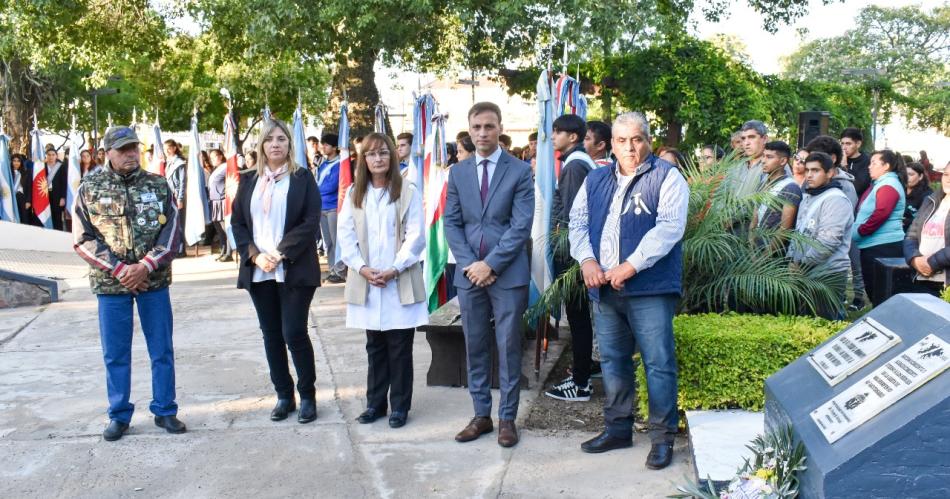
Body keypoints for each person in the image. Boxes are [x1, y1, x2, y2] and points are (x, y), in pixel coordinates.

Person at [567, 111, 689, 470]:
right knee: (614, 362)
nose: (630, 147)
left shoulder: (667, 177)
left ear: (648, 139)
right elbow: (577, 223)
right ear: (612, 143)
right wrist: (587, 261)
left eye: (636, 139)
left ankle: (662, 438)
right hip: (604, 289)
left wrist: (630, 265)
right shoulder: (596, 178)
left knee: (658, 363)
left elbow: (669, 228)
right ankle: (618, 429)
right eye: (622, 140)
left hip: (649, 288)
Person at [72, 126, 186, 441]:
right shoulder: (89, 188)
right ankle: (119, 415)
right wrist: (121, 270)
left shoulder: (159, 185)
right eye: (122, 149)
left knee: (161, 349)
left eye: (134, 147)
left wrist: (146, 266)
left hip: (154, 281)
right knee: (115, 353)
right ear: (107, 152)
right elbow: (82, 239)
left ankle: (165, 410)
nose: (130, 154)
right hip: (111, 286)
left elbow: (173, 232)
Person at [444, 102, 534, 448]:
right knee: (475, 344)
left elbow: (520, 225)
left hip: (507, 274)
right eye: (476, 127)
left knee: (509, 346)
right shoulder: (458, 173)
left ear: (499, 128)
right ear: (469, 130)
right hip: (470, 275)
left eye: (489, 126)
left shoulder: (519, 171)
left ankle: (507, 418)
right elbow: (452, 223)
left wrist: (491, 264)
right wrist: (471, 264)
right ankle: (481, 415)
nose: (482, 133)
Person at [231, 119, 322, 424]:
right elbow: (238, 224)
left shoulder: (302, 178)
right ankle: (284, 395)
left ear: (289, 144)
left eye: (281, 139)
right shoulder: (247, 180)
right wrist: (255, 256)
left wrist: (280, 253)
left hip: (293, 267)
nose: (275, 144)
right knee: (271, 335)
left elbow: (310, 221)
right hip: (260, 271)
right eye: (270, 139)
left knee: (294, 332)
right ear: (261, 145)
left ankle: (307, 395)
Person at [338, 133, 427, 429]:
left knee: (400, 347)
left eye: (384, 153)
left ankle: (399, 407)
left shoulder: (408, 192)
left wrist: (393, 268)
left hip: (397, 279)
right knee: (374, 347)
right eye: (372, 154)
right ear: (364, 159)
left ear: (393, 157)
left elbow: (415, 236)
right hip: (367, 279)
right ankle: (375, 404)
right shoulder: (355, 194)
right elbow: (346, 236)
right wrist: (362, 268)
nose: (378, 159)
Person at [545, 114, 596, 403]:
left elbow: (574, 218)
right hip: (578, 253)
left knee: (578, 318)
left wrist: (568, 254)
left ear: (572, 137)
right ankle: (582, 372)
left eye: (557, 132)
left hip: (575, 255)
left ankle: (580, 383)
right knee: (578, 318)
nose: (553, 137)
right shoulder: (578, 161)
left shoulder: (575, 166)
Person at [787, 152, 853, 318]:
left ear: (830, 173)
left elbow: (828, 242)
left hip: (827, 273)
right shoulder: (810, 194)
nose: (809, 175)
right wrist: (792, 260)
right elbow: (800, 231)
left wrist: (802, 264)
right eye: (808, 170)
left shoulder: (837, 199)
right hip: (804, 269)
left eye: (815, 170)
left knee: (825, 324)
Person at [806, 135, 863, 308]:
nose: (810, 173)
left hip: (828, 264)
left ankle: (858, 297)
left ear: (832, 159)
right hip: (809, 258)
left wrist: (805, 260)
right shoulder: (811, 183)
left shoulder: (844, 188)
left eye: (815, 167)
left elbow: (833, 233)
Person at [853, 150, 907, 306]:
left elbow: (882, 212)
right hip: (875, 245)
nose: (869, 167)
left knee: (880, 290)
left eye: (874, 163)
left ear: (886, 166)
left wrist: (862, 231)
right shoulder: (883, 183)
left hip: (882, 247)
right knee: (875, 288)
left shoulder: (889, 184)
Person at [904, 169, 950, 294]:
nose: (948, 179)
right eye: (946, 174)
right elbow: (911, 235)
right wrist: (914, 259)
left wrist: (932, 263)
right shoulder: (931, 201)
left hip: (945, 282)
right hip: (921, 276)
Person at [316, 133, 346, 283]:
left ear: (334, 147)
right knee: (328, 242)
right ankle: (332, 268)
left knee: (337, 240)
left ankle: (340, 271)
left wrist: (317, 191)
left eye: (326, 144)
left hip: (333, 207)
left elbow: (332, 185)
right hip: (322, 207)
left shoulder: (340, 164)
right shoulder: (323, 163)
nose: (323, 147)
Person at [751, 141, 801, 231]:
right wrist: (750, 239)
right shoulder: (763, 183)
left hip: (771, 243)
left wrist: (770, 246)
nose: (763, 161)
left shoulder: (791, 188)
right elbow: (755, 216)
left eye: (769, 157)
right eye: (763, 156)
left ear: (783, 161)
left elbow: (784, 230)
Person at [207, 149, 232, 261]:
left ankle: (229, 252)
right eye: (211, 158)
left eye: (215, 157)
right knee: (219, 229)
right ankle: (223, 249)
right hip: (214, 201)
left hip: (222, 201)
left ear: (221, 156)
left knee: (225, 228)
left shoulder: (226, 166)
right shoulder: (216, 169)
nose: (212, 160)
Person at [840, 128, 871, 197]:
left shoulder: (867, 161)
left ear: (858, 144)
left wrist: (845, 166)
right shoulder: (838, 159)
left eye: (848, 144)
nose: (844, 148)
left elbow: (858, 188)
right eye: (842, 144)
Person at [904, 162, 933, 231]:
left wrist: (904, 221)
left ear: (920, 177)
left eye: (911, 174)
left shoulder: (927, 195)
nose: (906, 177)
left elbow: (925, 219)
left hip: (913, 234)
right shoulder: (900, 190)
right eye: (905, 174)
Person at [44, 148, 67, 231]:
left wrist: (63, 197)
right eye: (49, 155)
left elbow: (64, 183)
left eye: (53, 155)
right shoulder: (42, 167)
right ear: (46, 156)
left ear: (56, 156)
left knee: (57, 218)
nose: (51, 157)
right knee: (46, 216)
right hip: (45, 195)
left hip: (57, 196)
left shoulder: (61, 167)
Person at [11, 153, 33, 225]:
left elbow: (30, 188)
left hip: (22, 198)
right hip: (11, 198)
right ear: (11, 162)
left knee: (24, 219)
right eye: (14, 161)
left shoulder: (26, 172)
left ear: (21, 162)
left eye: (18, 161)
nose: (16, 163)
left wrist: (28, 201)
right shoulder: (8, 173)